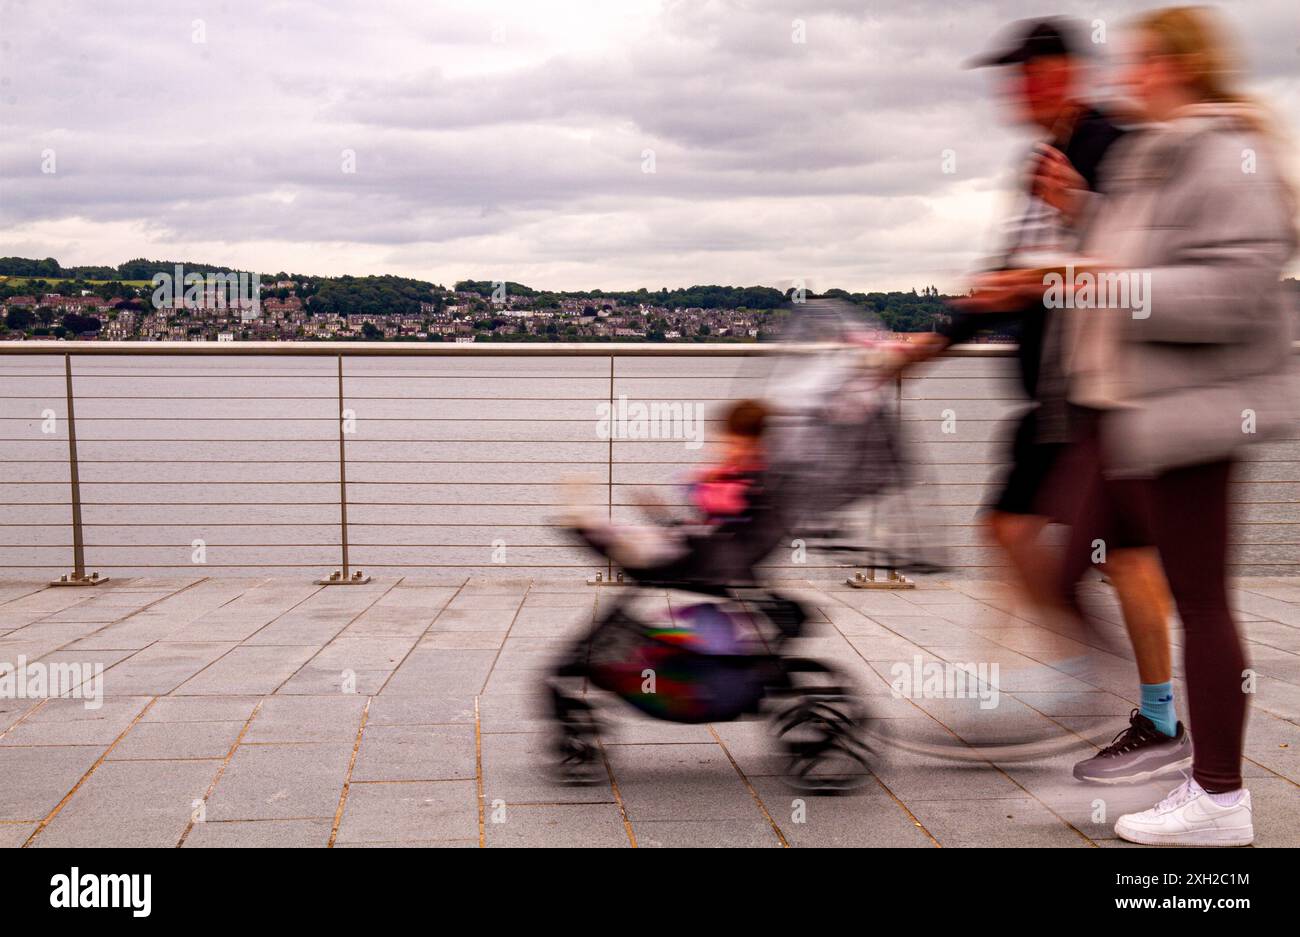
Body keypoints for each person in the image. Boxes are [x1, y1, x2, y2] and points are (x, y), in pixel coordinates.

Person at [986, 6, 1297, 845]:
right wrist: (1082, 220)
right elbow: (1140, 261)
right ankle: (1156, 726)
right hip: (1121, 413)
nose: (1129, 77)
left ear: (1186, 67)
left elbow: (1235, 288)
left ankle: (1220, 799)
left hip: (1188, 412)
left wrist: (1086, 278)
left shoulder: (1227, 153)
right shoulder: (1156, 156)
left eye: (1145, 64)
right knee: (1057, 567)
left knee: (1200, 599)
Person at [914, 17, 1188, 782]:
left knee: (1123, 556)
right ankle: (1086, 682)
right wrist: (922, 348)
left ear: (1062, 74)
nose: (1013, 89)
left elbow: (1127, 261)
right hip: (1049, 403)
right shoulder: (1041, 160)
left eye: (1025, 74)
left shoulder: (1112, 146)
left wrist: (1038, 271)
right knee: (1010, 530)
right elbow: (1003, 279)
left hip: (1104, 396)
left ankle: (1150, 713)